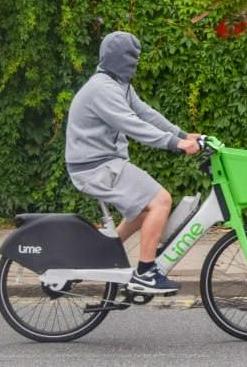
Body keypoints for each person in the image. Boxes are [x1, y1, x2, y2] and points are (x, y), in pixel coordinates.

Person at [64, 31, 199, 295]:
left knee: (142, 212)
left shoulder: (118, 84)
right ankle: (146, 273)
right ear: (119, 60)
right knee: (161, 200)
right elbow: (132, 124)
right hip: (96, 167)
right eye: (131, 59)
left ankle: (100, 250)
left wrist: (182, 134)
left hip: (104, 163)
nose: (135, 64)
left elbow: (145, 113)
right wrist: (174, 144)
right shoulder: (102, 89)